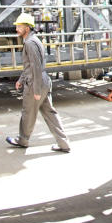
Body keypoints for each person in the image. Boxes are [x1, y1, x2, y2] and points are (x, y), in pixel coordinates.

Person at [5, 12, 71, 152]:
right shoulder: (33, 40)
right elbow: (30, 65)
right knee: (50, 113)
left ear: (27, 28)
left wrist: (36, 90)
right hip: (42, 81)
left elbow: (35, 66)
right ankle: (63, 143)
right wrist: (21, 79)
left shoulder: (30, 43)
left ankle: (23, 140)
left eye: (19, 26)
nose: (17, 29)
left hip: (37, 83)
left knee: (27, 113)